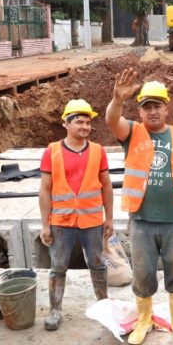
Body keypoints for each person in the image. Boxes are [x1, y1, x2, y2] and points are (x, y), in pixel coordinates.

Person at [105, 68, 173, 345]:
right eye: (146, 107)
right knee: (143, 273)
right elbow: (112, 119)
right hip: (142, 219)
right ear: (141, 112)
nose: (152, 112)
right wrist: (117, 98)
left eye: (157, 106)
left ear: (166, 108)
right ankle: (144, 320)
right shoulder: (133, 133)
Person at [39, 99, 113, 331]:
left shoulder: (98, 151)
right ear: (66, 124)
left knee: (98, 263)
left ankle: (103, 306)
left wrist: (109, 218)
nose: (84, 126)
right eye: (79, 122)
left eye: (88, 122)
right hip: (61, 221)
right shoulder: (52, 151)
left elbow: (106, 185)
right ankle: (55, 311)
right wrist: (45, 224)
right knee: (58, 266)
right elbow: (45, 189)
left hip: (91, 221)